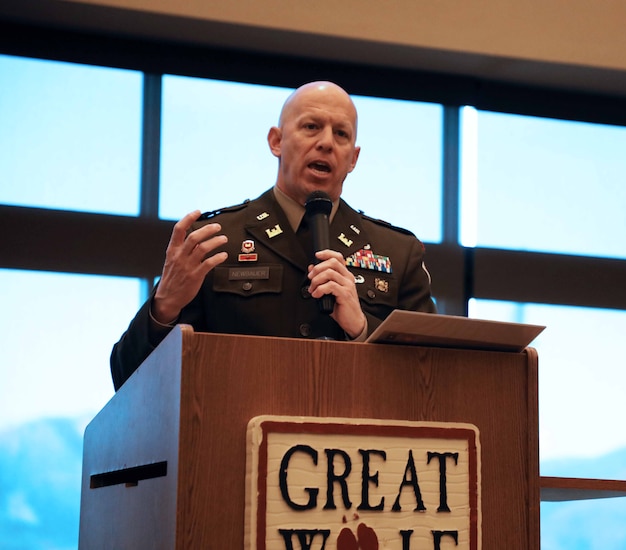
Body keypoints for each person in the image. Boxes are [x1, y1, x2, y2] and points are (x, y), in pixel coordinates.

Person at [110, 81, 437, 390]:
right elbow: (127, 378)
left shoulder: (397, 252)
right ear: (276, 141)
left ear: (353, 158)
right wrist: (165, 305)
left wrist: (362, 329)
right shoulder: (214, 241)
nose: (326, 142)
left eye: (341, 134)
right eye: (311, 127)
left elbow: (430, 379)